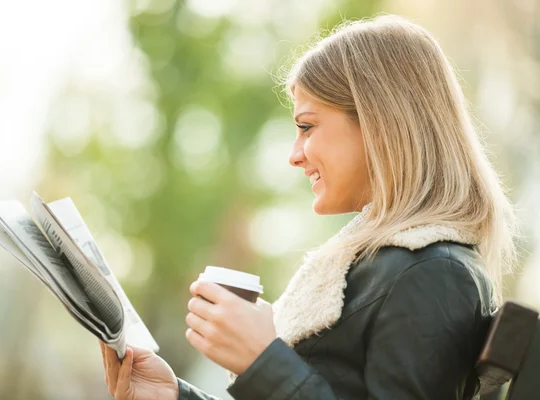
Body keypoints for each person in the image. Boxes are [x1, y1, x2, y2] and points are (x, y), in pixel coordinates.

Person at [99, 14, 519, 400]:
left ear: (379, 123)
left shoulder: (434, 273)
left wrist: (263, 359)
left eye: (307, 126)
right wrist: (173, 395)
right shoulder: (376, 264)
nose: (294, 155)